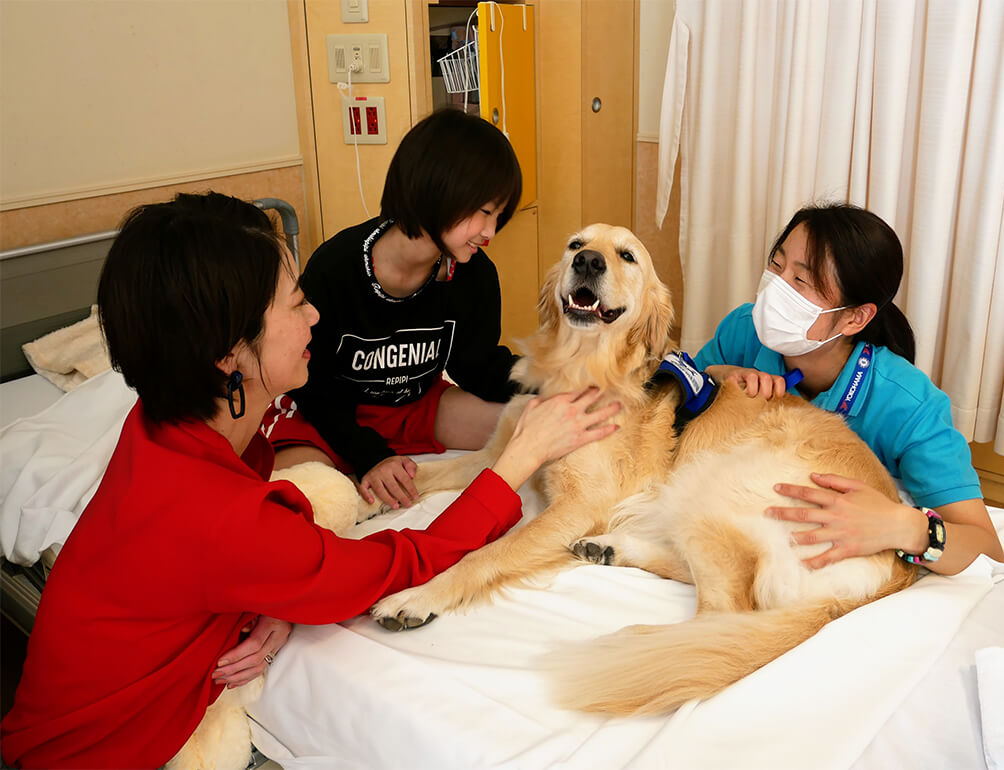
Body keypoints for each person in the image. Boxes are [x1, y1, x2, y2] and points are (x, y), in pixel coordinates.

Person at [0, 193, 620, 769]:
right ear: (228, 355)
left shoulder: (157, 424)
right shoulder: (221, 520)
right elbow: (404, 563)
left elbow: (224, 558)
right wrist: (516, 458)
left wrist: (267, 598)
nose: (316, 313)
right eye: (296, 302)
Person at [693, 203, 1003, 574]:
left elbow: (987, 548)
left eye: (801, 281)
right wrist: (716, 376)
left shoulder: (909, 405)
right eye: (777, 266)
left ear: (856, 317)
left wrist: (903, 525)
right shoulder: (743, 330)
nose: (775, 288)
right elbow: (669, 402)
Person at [262, 108, 523, 512]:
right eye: (485, 212)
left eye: (498, 216)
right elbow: (313, 384)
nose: (490, 232)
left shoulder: (474, 275)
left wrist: (563, 380)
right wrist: (371, 456)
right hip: (331, 414)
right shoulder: (337, 267)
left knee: (533, 425)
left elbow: (480, 369)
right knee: (305, 497)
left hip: (416, 407)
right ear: (440, 189)